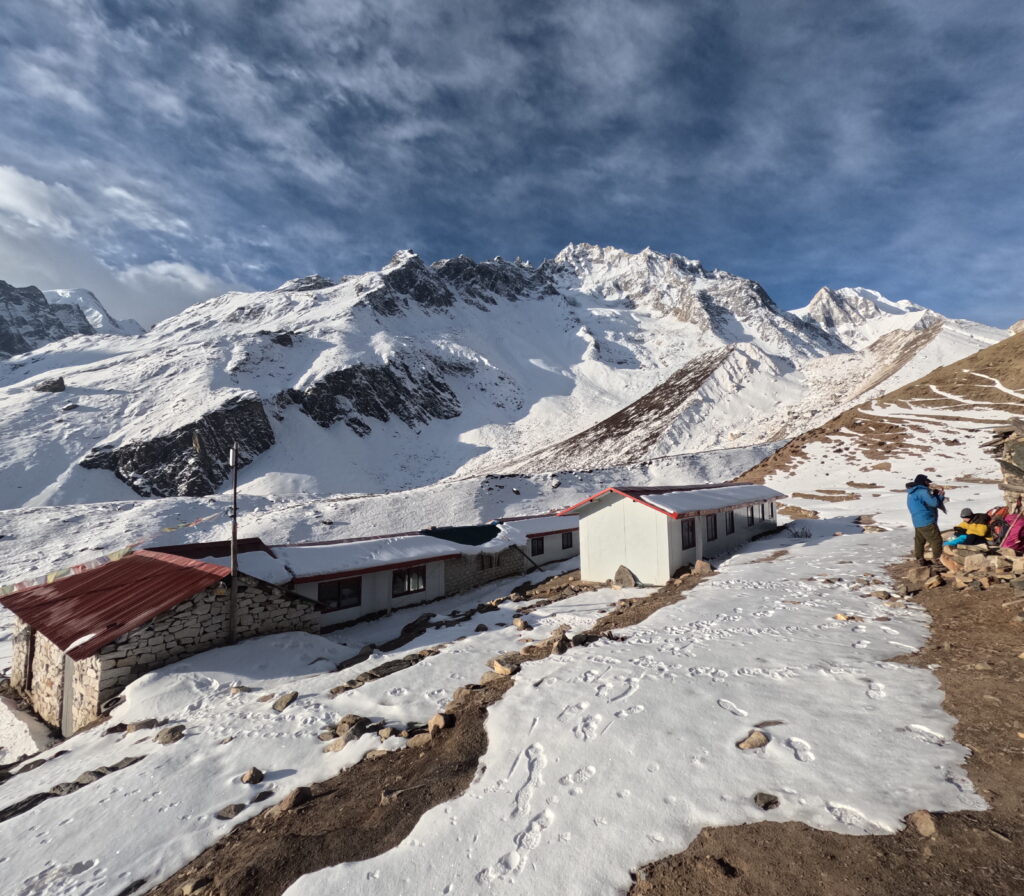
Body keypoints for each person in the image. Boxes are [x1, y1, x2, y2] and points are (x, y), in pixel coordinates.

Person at [906, 473, 945, 565]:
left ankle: (920, 559)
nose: (929, 484)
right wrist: (939, 496)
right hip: (926, 519)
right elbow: (934, 503)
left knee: (920, 540)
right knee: (936, 540)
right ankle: (938, 560)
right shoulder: (922, 491)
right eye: (927, 482)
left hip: (917, 520)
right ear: (923, 482)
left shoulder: (911, 492)